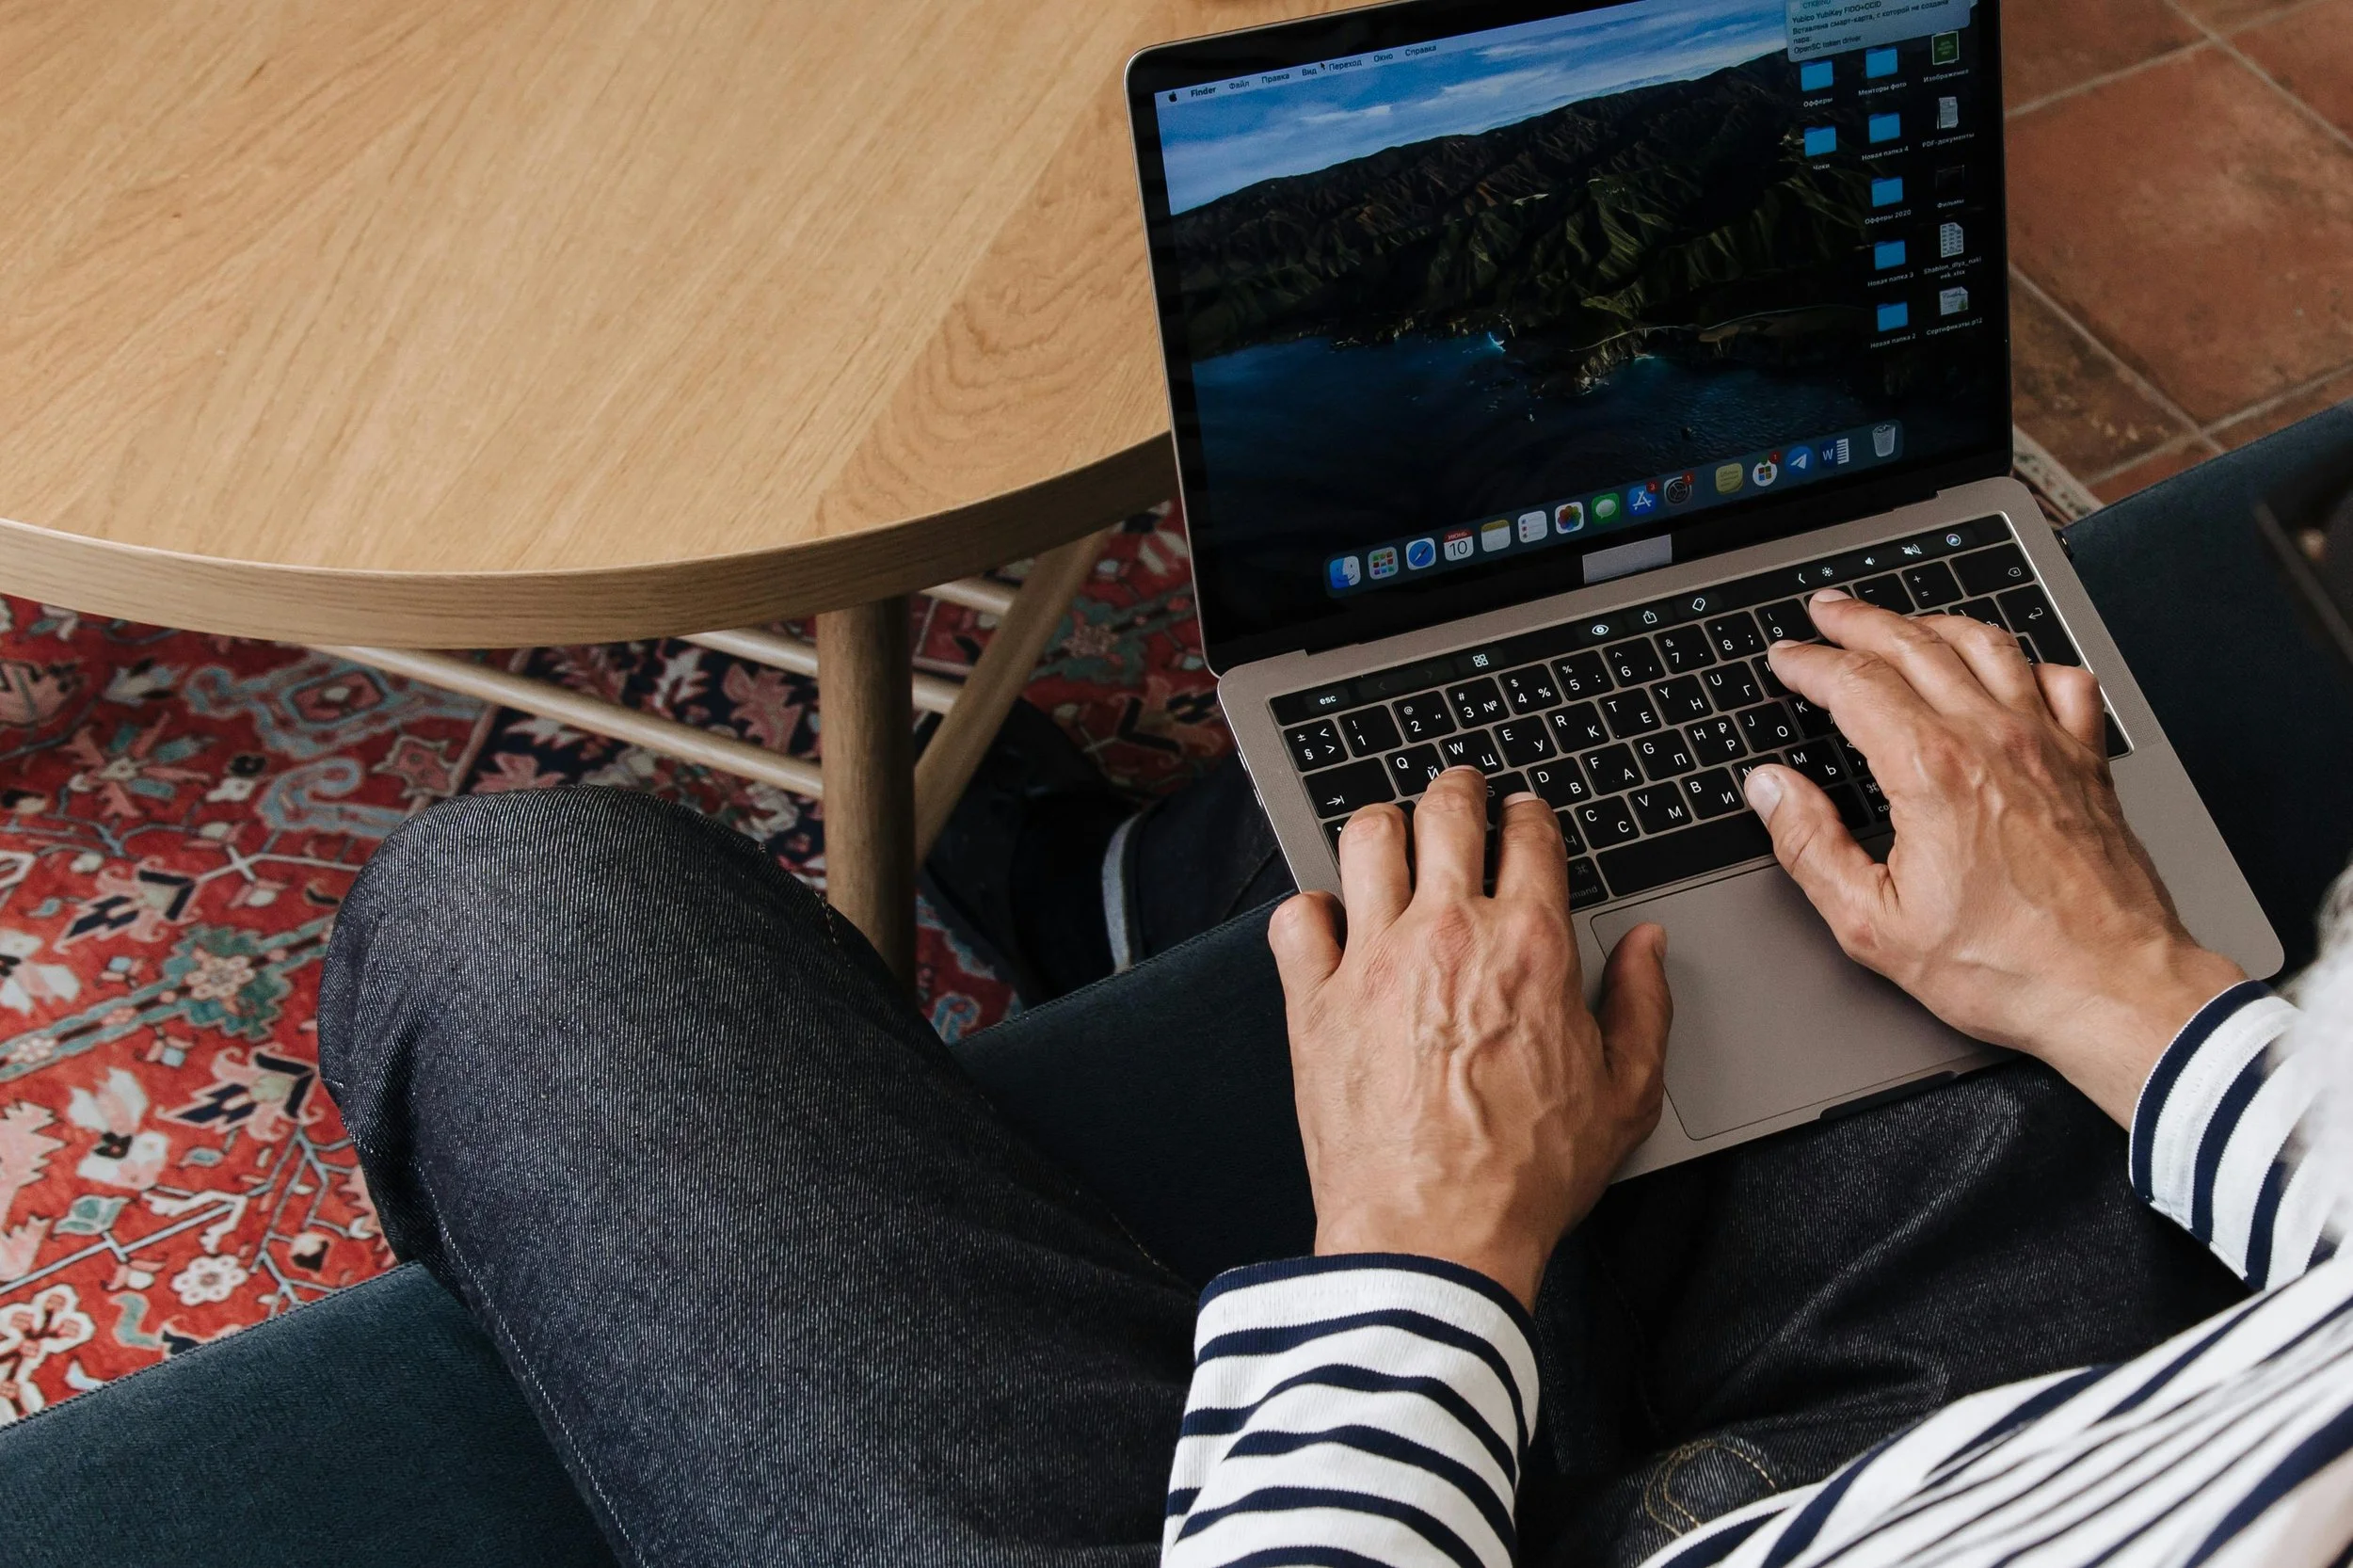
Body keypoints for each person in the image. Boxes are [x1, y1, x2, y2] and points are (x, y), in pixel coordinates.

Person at [314, 472, 2353, 1564]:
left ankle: (1105, 909)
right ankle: (1116, 893)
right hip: (2062, 1427)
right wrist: (2128, 993)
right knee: (1743, 681)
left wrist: (1424, 1240)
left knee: (519, 910)